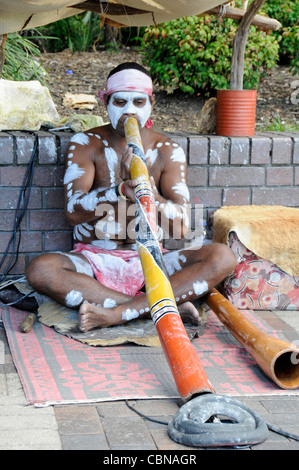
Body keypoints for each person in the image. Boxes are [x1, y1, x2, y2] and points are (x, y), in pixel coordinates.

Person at [26, 62, 236, 332]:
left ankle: (116, 313)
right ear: (106, 102)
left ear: (152, 102)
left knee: (223, 258)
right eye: (120, 101)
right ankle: (155, 307)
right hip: (95, 258)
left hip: (154, 258)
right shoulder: (85, 143)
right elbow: (73, 213)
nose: (129, 111)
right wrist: (119, 192)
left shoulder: (166, 150)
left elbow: (181, 228)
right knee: (40, 270)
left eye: (138, 101)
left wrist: (146, 192)